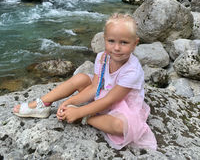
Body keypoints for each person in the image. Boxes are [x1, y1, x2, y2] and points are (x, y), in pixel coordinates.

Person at [13, 13, 157, 150]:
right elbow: (95, 87)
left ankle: (86, 119)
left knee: (121, 126)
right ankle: (43, 103)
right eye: (111, 41)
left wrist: (80, 112)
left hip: (120, 104)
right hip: (101, 94)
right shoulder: (103, 57)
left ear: (135, 43)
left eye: (124, 42)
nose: (117, 48)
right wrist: (69, 102)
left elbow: (109, 101)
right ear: (105, 39)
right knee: (81, 78)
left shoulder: (132, 71)